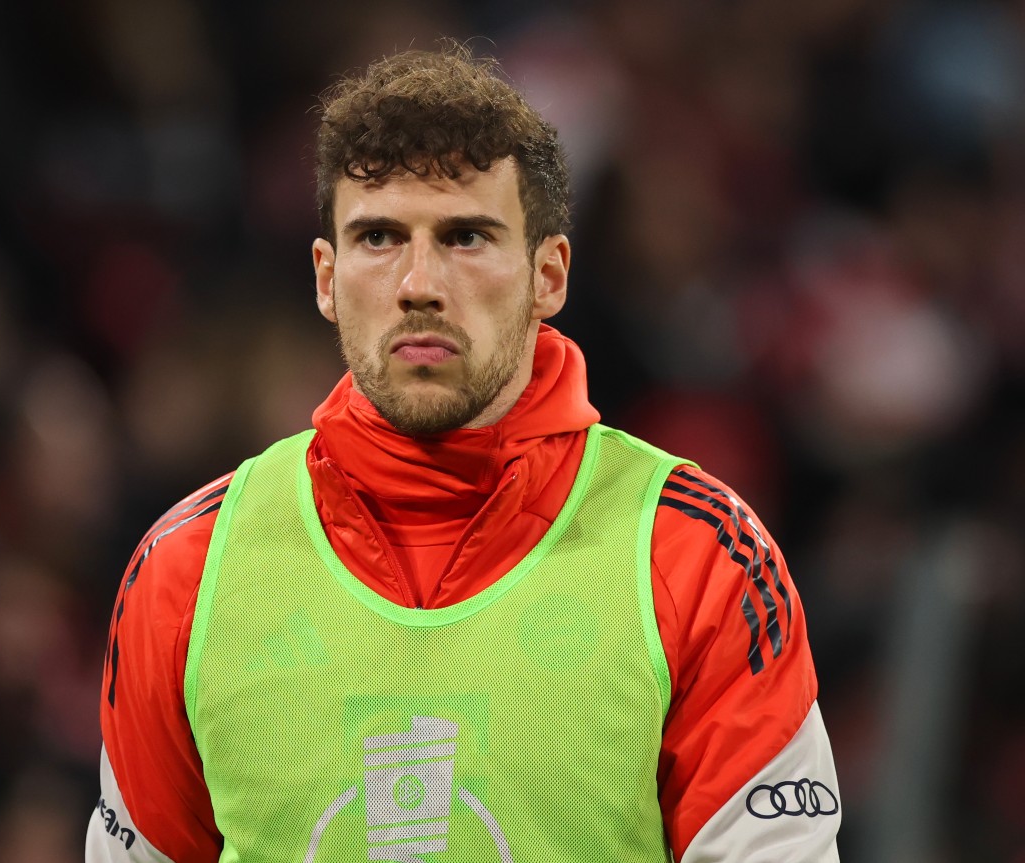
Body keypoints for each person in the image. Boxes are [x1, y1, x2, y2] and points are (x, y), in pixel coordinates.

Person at [86, 43, 841, 863]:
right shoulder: (188, 570)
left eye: (466, 237)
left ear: (548, 274)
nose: (419, 283)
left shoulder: (699, 557)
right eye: (379, 236)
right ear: (326, 278)